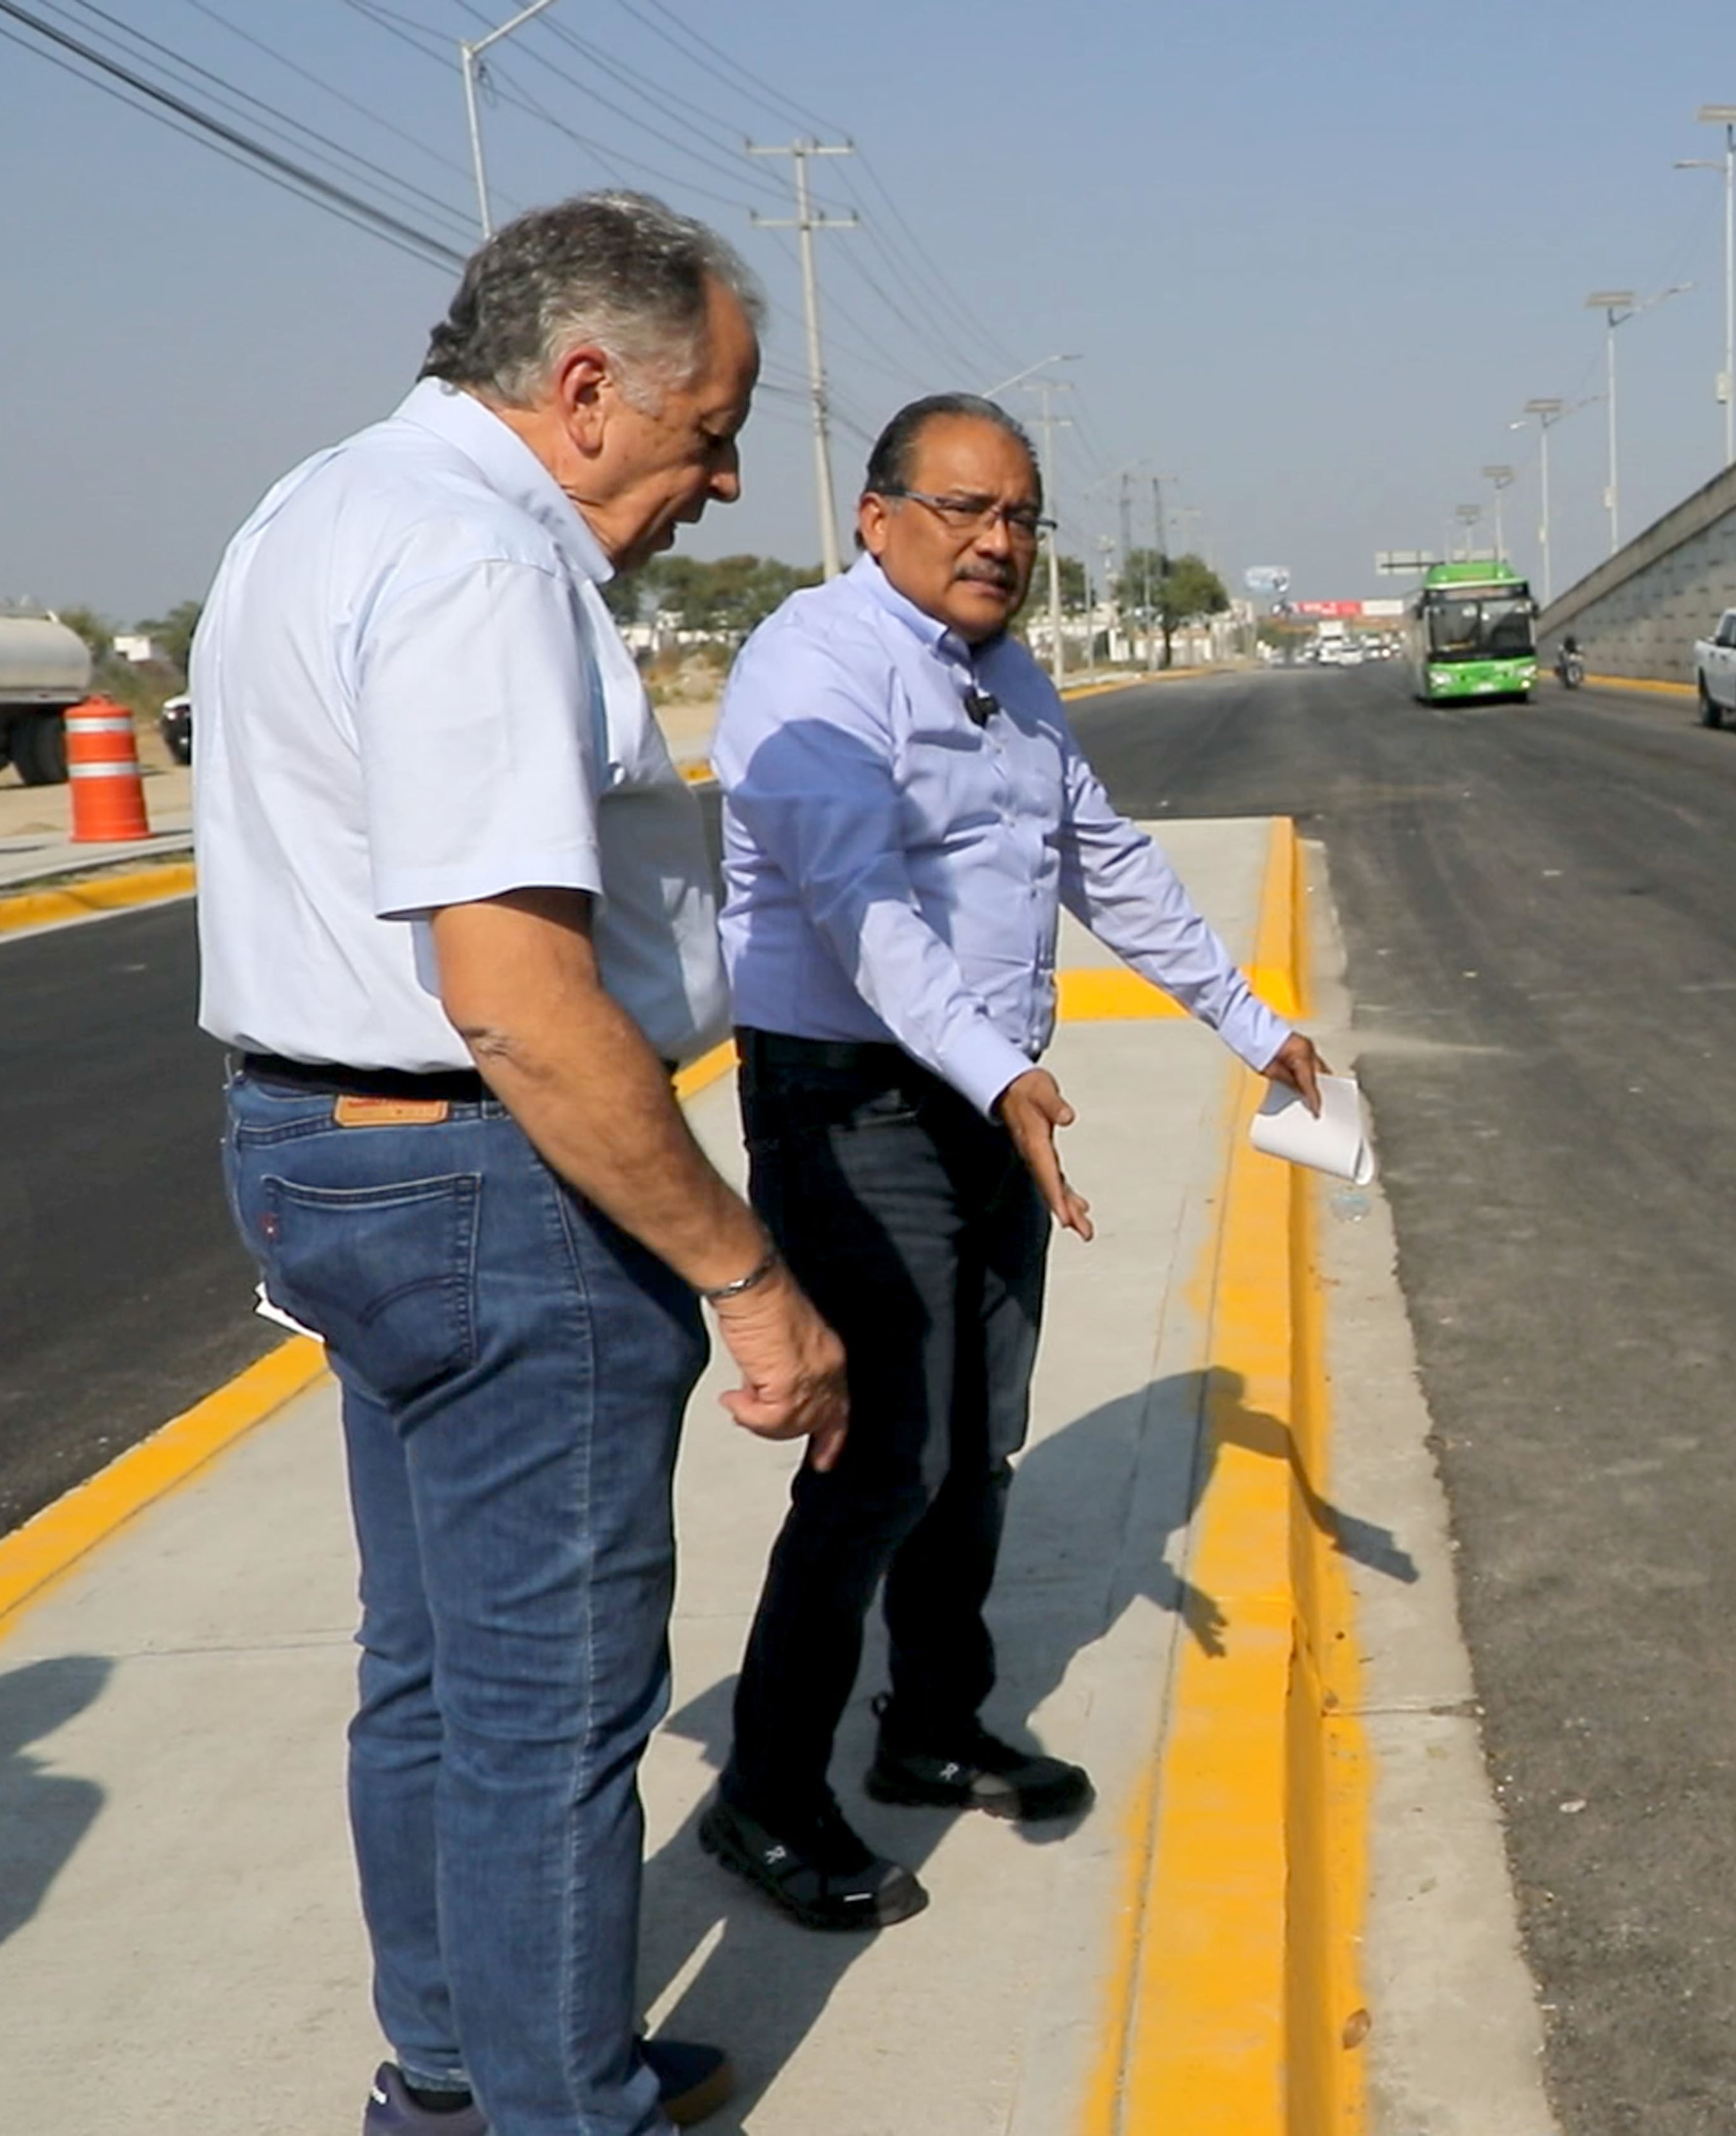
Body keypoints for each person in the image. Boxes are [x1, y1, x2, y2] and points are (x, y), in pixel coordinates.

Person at [194, 193, 849, 2136]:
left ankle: (460, 2072)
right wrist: (748, 1273)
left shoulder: (312, 505)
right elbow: (520, 999)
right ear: (583, 389)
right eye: (710, 424)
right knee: (551, 1708)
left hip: (325, 1153)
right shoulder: (480, 561)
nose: (721, 479)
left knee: (429, 1669)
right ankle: (568, 2111)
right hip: (497, 1183)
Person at [702, 393, 1325, 1930]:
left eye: (1023, 518)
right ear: (876, 514)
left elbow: (1099, 856)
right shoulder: (814, 668)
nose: (1000, 543)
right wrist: (1006, 1076)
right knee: (879, 1457)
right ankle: (764, 1792)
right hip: (853, 1103)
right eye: (966, 509)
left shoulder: (1005, 675)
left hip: (982, 1098)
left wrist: (1252, 1023)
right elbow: (858, 907)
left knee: (979, 1432)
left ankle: (928, 1722)